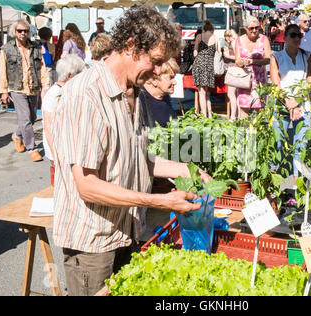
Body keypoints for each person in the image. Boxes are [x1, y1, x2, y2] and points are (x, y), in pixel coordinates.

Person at [50, 5, 211, 296]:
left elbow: (136, 160)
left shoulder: (134, 94)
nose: (159, 70)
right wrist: (159, 201)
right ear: (132, 47)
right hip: (94, 247)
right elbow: (87, 186)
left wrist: (186, 169)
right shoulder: (86, 95)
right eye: (157, 61)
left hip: (127, 233)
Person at [0, 19, 50, 162]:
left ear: (29, 32)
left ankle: (17, 136)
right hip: (17, 88)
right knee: (25, 118)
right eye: (19, 31)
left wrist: (45, 85)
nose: (22, 33)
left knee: (32, 117)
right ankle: (32, 149)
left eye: (25, 31)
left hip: (33, 87)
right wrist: (4, 90)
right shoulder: (6, 49)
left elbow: (42, 67)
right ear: (14, 32)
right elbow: (3, 71)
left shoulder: (35, 47)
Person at [269, 24, 311, 182]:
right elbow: (276, 85)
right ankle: (271, 181)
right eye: (293, 35)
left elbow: (310, 81)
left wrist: (297, 101)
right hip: (282, 104)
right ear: (285, 38)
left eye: (299, 36)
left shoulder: (306, 55)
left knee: (300, 146)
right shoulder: (276, 57)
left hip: (302, 105)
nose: (297, 38)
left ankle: (297, 186)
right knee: (277, 143)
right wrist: (288, 102)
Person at [42, 54, 85, 169]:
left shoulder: (69, 91)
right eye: (79, 73)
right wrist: (55, 155)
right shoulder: (53, 95)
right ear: (70, 76)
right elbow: (48, 126)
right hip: (58, 150)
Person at [235, 16, 271, 118]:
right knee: (243, 109)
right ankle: (244, 133)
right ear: (246, 28)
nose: (254, 30)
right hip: (244, 80)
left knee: (260, 109)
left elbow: (268, 59)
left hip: (259, 80)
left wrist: (253, 61)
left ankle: (260, 133)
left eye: (256, 27)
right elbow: (237, 60)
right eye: (251, 28)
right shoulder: (239, 40)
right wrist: (243, 62)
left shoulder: (264, 39)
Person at [139, 57, 179, 127]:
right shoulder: (139, 100)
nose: (175, 82)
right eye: (171, 77)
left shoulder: (164, 96)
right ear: (154, 80)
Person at [192, 20, 217, 118]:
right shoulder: (215, 38)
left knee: (201, 92)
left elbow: (195, 53)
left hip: (200, 63)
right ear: (212, 29)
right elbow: (217, 52)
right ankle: (209, 115)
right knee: (206, 92)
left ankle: (203, 115)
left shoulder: (199, 36)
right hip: (209, 64)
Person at [223, 29, 240, 121]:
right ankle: (238, 115)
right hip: (236, 69)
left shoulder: (234, 43)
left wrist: (227, 55)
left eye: (226, 37)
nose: (226, 40)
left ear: (229, 36)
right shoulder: (237, 41)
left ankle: (233, 116)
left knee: (231, 94)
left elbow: (238, 57)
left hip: (233, 69)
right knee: (236, 94)